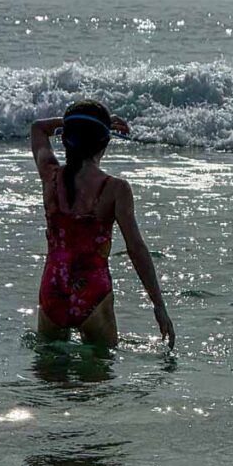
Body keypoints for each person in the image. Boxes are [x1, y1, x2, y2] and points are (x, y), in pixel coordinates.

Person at [31, 100, 175, 348]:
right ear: (104, 143)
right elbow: (136, 249)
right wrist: (158, 305)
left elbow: (37, 128)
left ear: (65, 138)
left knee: (50, 378)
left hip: (53, 288)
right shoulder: (115, 189)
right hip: (93, 294)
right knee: (99, 381)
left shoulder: (50, 176)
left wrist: (79, 124)